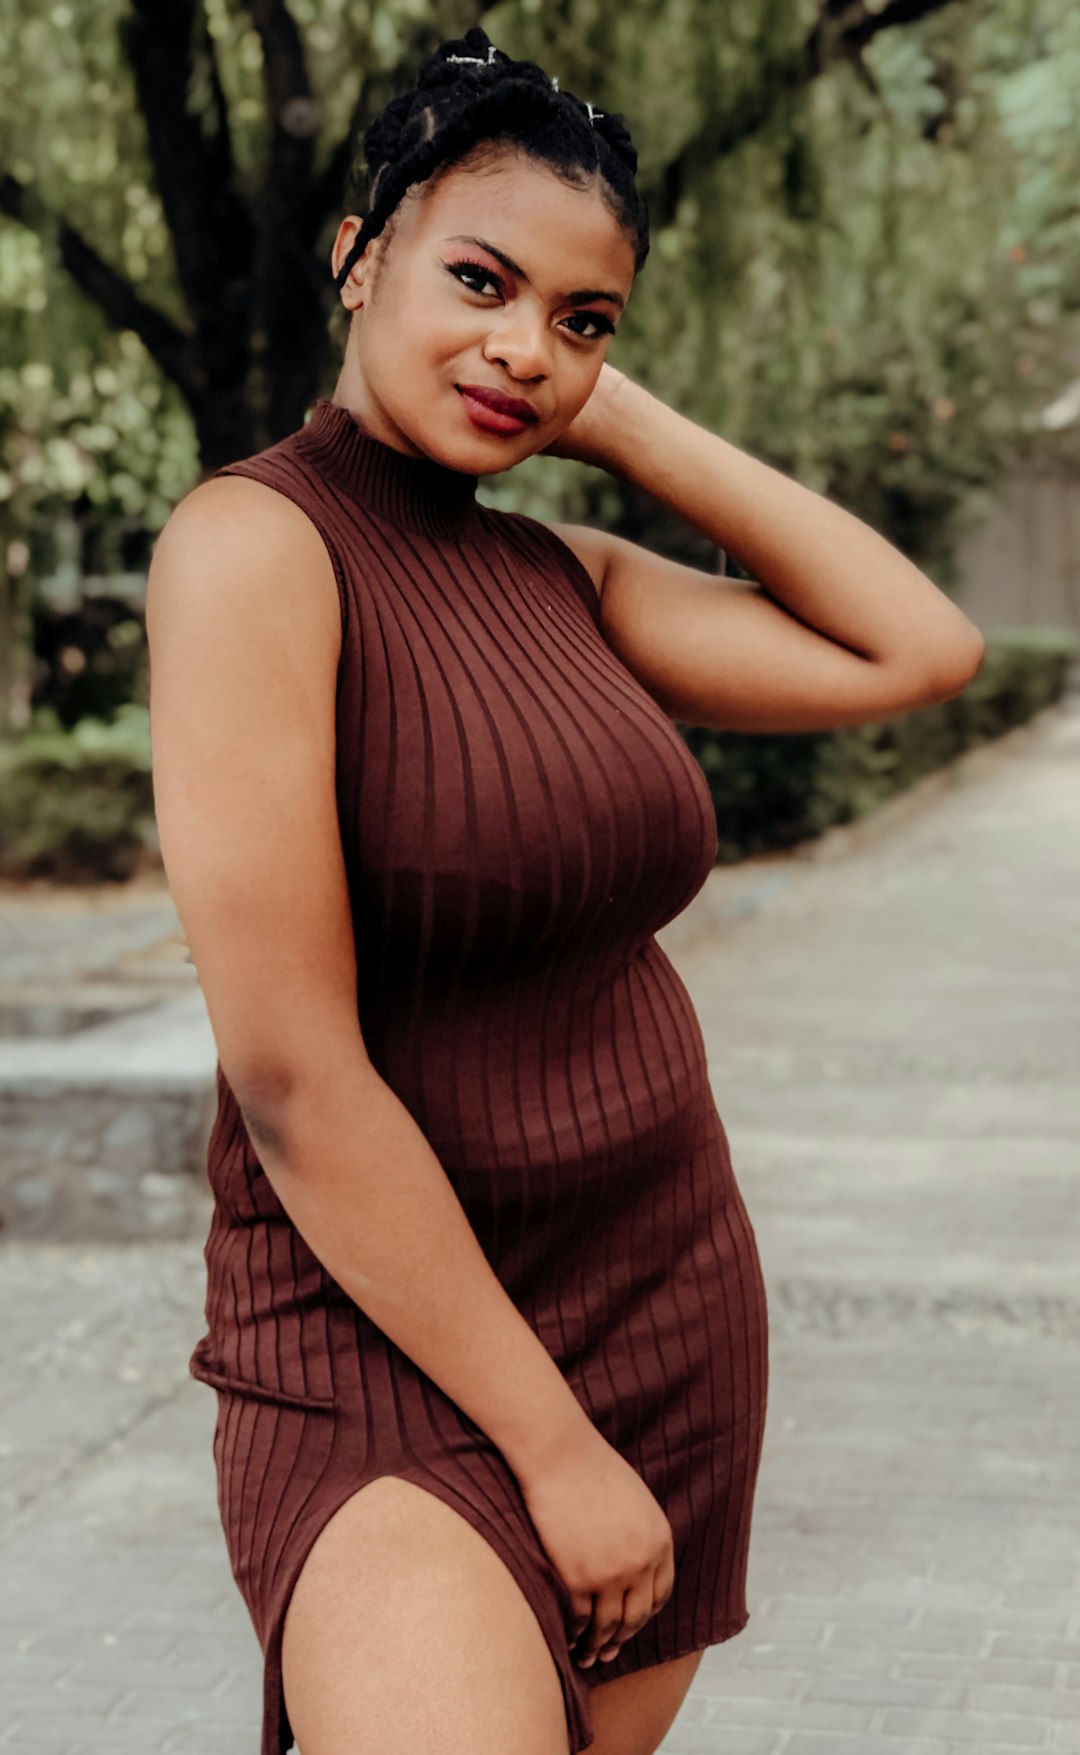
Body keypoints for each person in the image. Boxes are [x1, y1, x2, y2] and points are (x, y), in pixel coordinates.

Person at [146, 25, 985, 1755]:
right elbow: (298, 1084)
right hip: (380, 1343)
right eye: (480, 279)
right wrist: (548, 1447)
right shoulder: (253, 551)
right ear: (358, 255)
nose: (524, 348)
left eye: (582, 320)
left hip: (659, 1294)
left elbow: (923, 646)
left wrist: (615, 423)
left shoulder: (567, 575)